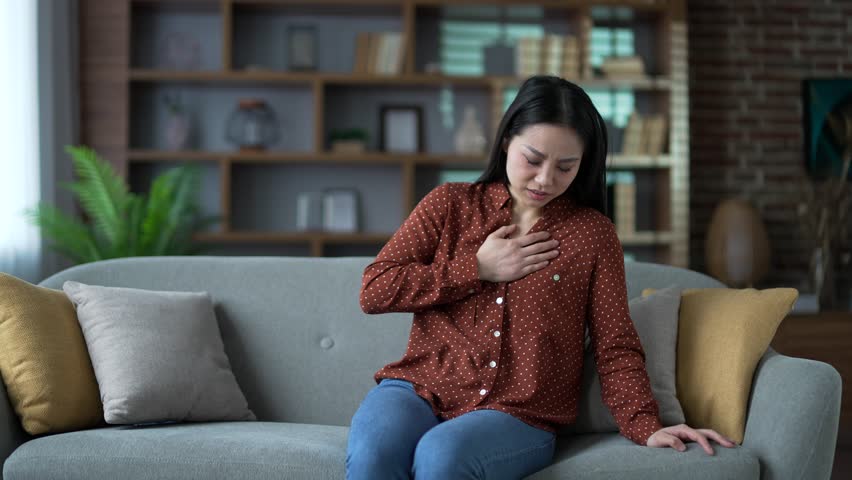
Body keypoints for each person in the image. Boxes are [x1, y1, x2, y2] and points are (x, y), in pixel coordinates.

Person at [346, 75, 736, 480]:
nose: (546, 179)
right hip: (419, 389)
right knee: (375, 451)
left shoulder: (592, 235)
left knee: (442, 455)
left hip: (518, 412)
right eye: (533, 159)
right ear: (506, 142)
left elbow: (615, 343)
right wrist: (475, 269)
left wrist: (646, 425)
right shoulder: (450, 205)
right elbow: (374, 290)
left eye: (566, 166)